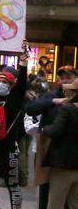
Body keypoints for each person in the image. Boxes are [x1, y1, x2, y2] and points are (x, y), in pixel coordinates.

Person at [0, 44, 29, 209]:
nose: (1, 83)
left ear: (12, 84)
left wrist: (23, 61)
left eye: (5, 81)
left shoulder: (15, 98)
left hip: (8, 148)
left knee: (13, 185)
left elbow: (22, 80)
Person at [25, 65, 77, 209]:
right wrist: (54, 102)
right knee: (46, 189)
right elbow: (30, 109)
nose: (65, 81)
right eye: (62, 78)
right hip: (48, 149)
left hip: (69, 153)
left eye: (69, 78)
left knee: (69, 198)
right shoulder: (51, 95)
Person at [39, 78, 78, 209]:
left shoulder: (68, 109)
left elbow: (56, 130)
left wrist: (44, 129)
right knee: (75, 203)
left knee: (56, 202)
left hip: (64, 163)